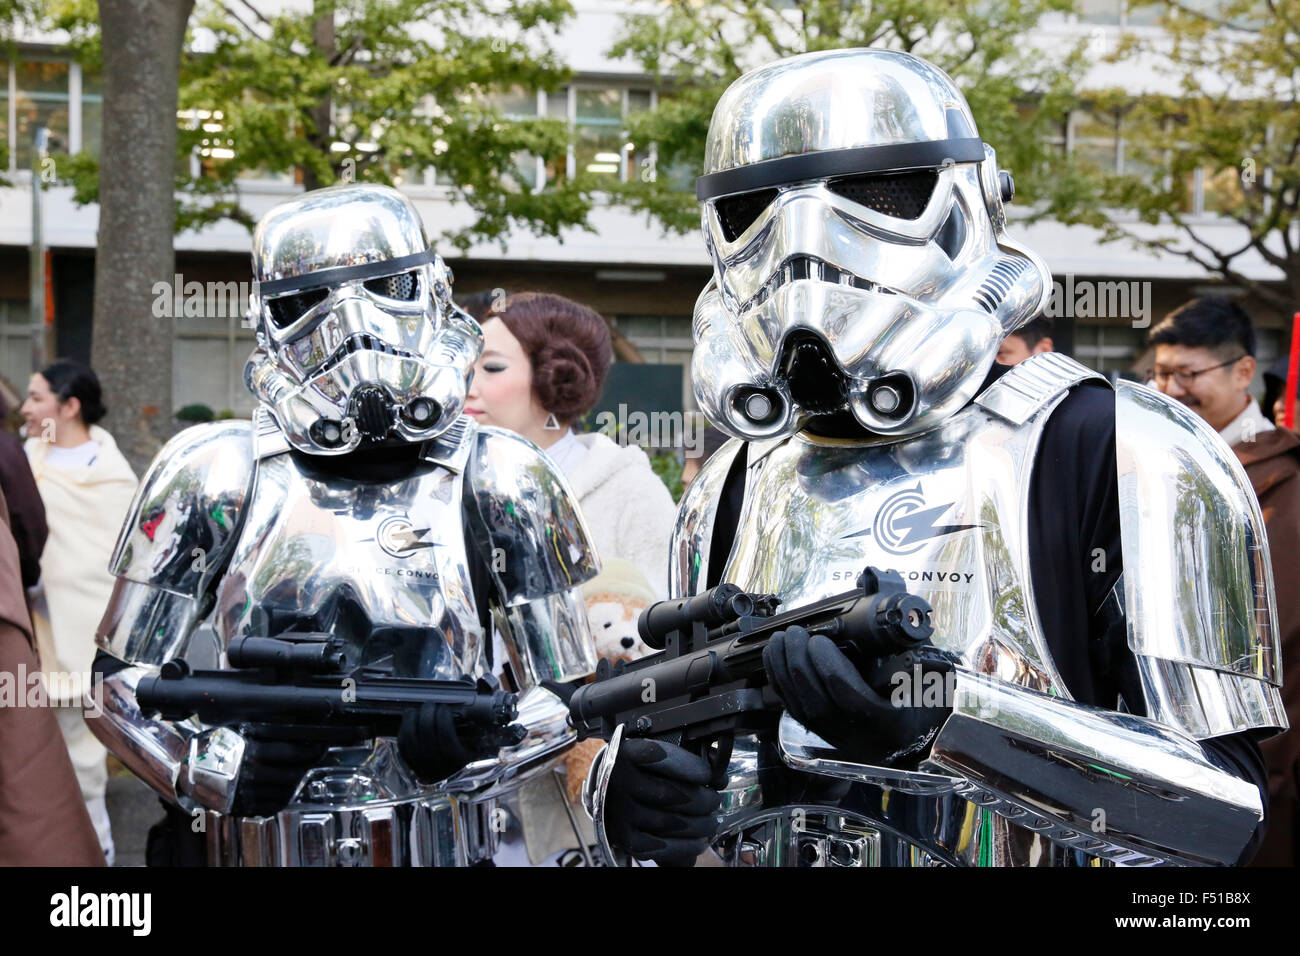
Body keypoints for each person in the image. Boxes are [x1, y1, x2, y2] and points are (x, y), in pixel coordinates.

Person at [586, 48, 1282, 868]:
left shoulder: (1131, 450)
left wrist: (951, 723)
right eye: (751, 211)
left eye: (874, 195)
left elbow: (1225, 818)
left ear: (971, 201)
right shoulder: (738, 478)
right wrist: (637, 797)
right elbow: (720, 760)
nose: (804, 247)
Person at [86, 184, 601, 867]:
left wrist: (486, 740)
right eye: (307, 305)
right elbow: (116, 682)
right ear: (268, 319)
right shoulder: (214, 469)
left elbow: (571, 694)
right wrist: (215, 767)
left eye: (385, 287)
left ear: (432, 287)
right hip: (258, 845)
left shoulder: (501, 473)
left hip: (443, 841)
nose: (353, 329)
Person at [1148, 296, 1300, 866]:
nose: (1171, 390)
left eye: (1188, 374)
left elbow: (1269, 630)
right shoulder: (1165, 455)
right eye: (1161, 374)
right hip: (1167, 728)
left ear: (1242, 372)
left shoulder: (1279, 477)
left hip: (1254, 735)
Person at [467, 291, 677, 598]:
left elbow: (666, 623)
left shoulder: (631, 494)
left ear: (556, 376)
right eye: (467, 367)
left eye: (492, 368)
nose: (467, 386)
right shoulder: (447, 484)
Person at [20, 359, 138, 866]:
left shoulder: (114, 478)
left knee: (85, 761)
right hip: (32, 634)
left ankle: (98, 858)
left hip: (89, 641)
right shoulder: (24, 462)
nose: (25, 409)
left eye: (36, 398)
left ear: (69, 407)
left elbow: (122, 563)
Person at [0, 483, 105, 866]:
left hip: (61, 632)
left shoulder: (107, 469)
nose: (29, 416)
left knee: (72, 758)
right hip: (38, 631)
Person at [0, 394, 47, 589]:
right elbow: (30, 523)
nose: (25, 409)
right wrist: (27, 575)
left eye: (36, 399)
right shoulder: (6, 450)